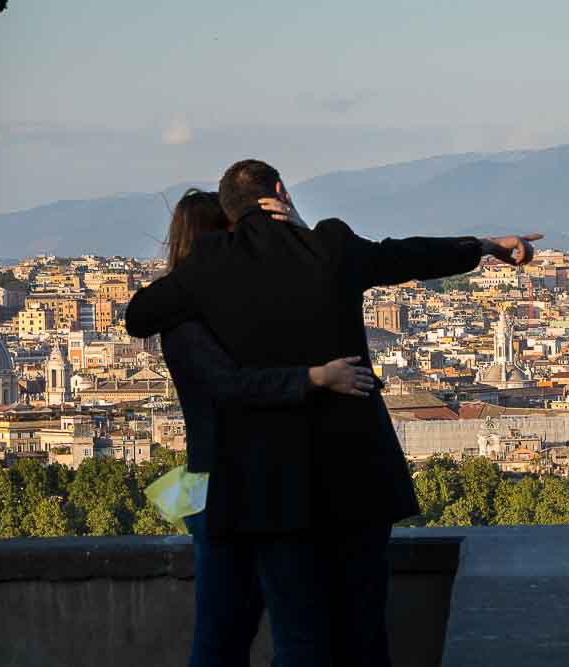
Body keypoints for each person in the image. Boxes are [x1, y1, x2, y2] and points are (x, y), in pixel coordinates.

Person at [125, 160, 541, 666]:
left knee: (301, 638)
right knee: (365, 631)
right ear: (279, 192)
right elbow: (404, 256)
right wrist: (485, 246)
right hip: (357, 472)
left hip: (273, 484)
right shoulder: (329, 245)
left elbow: (140, 315)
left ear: (231, 212)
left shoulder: (211, 265)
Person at [156, 189, 377, 666]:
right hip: (242, 486)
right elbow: (230, 385)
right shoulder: (197, 319)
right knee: (286, 636)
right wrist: (316, 377)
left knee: (227, 636)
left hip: (216, 484)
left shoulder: (186, 315)